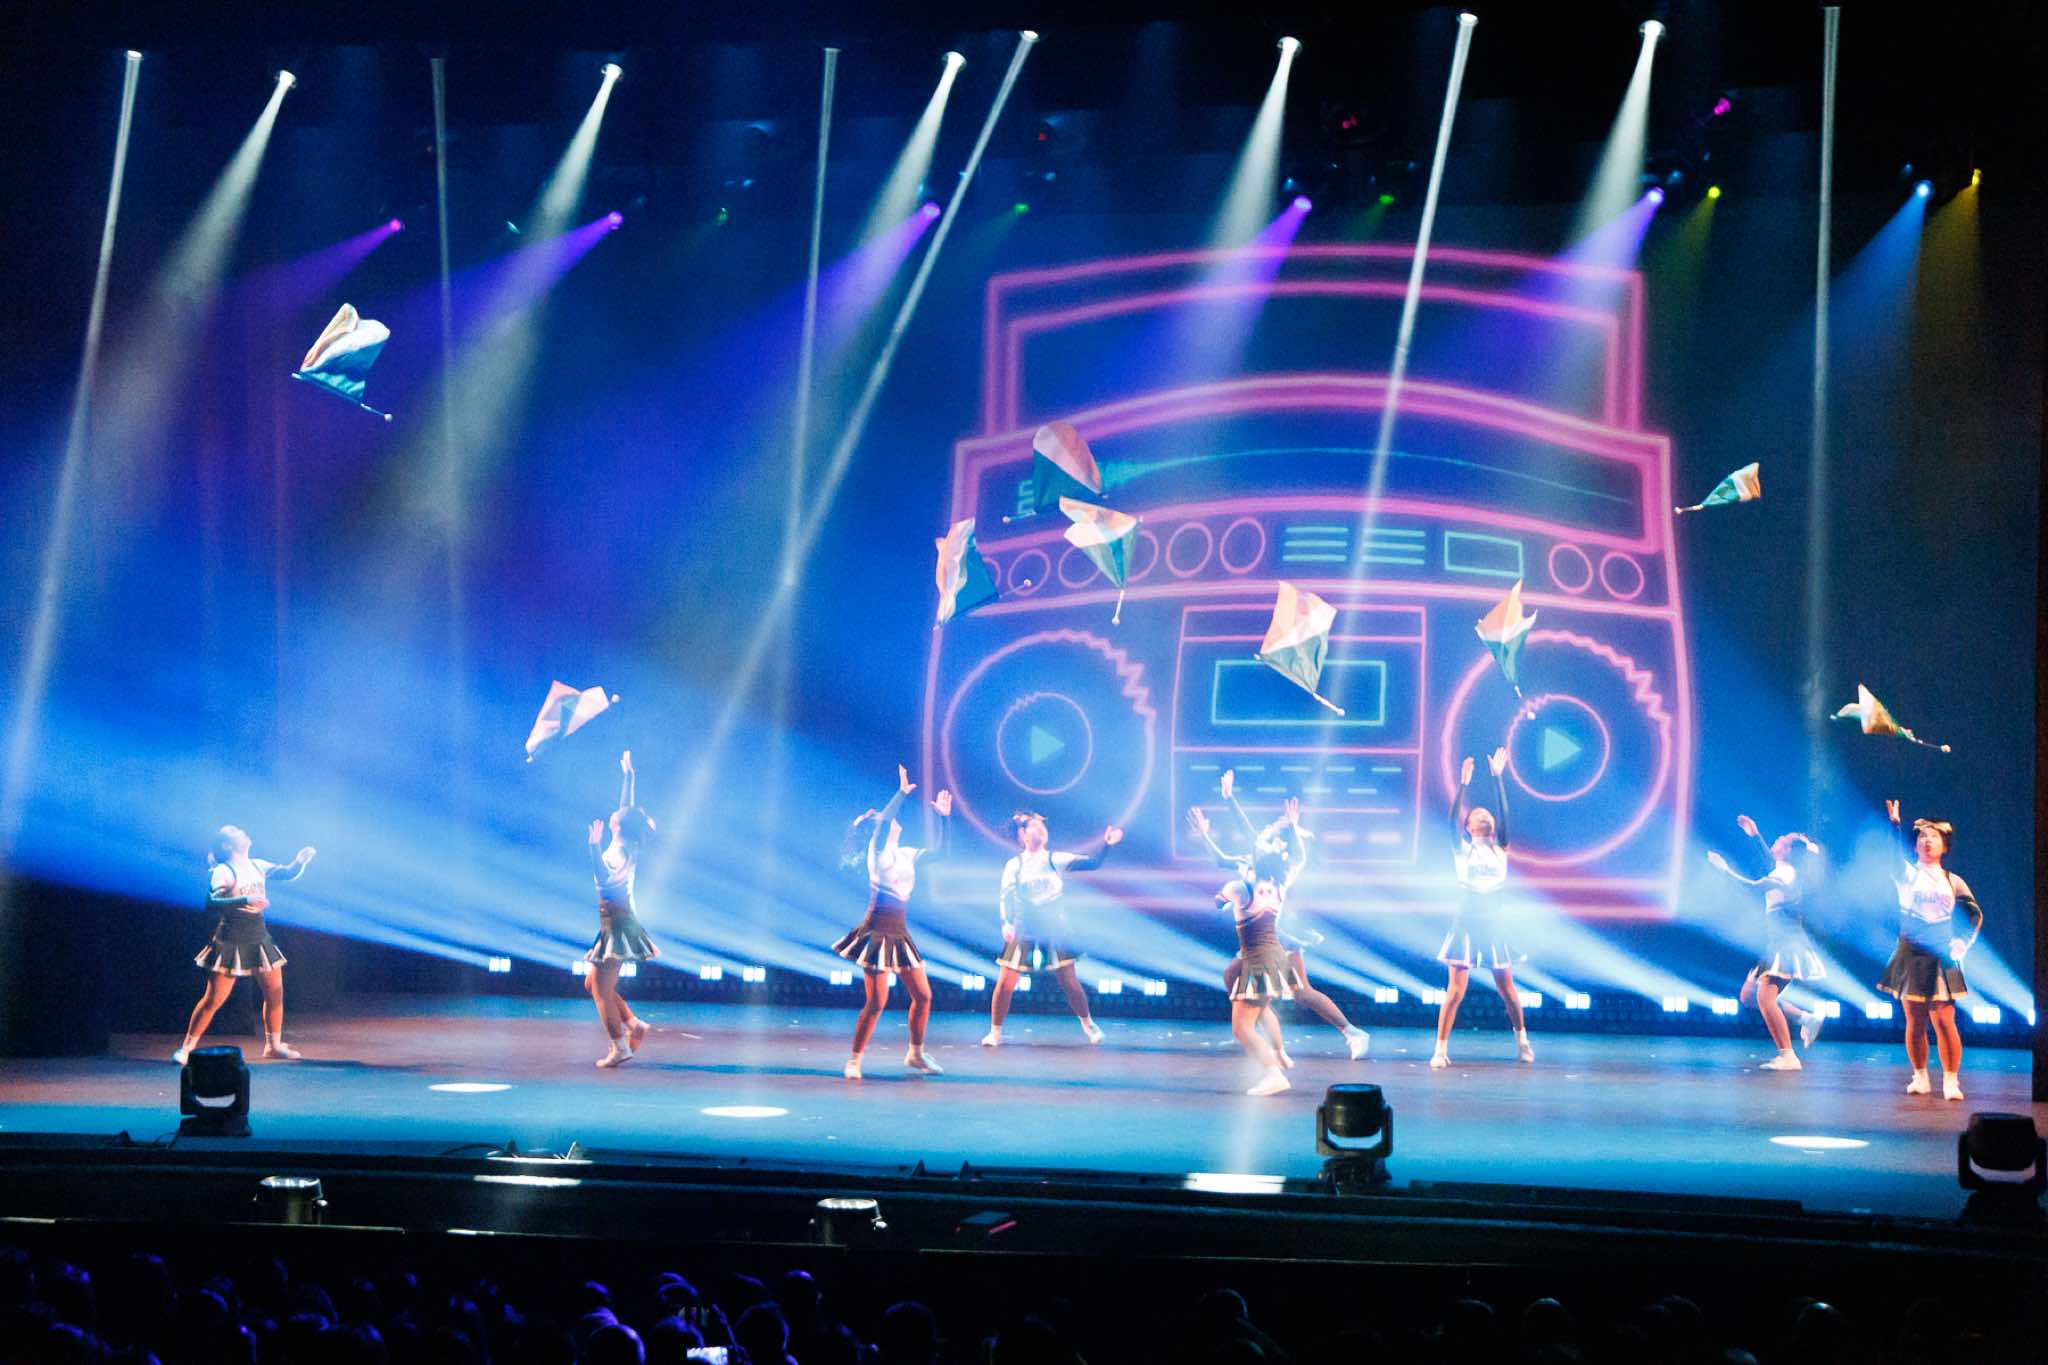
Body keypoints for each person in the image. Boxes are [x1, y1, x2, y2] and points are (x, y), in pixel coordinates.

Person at [1191, 776, 1369, 1062]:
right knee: (1232, 975)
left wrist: (1292, 827)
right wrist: (1219, 812)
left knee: (1300, 992)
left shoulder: (1282, 870)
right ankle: (1254, 1029)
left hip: (1279, 937)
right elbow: (1224, 856)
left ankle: (1352, 1032)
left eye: (1271, 831)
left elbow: (1293, 853)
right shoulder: (1251, 861)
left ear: (1276, 844)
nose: (1262, 833)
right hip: (1258, 940)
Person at [832, 765, 951, 1079]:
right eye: (885, 819)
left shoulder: (906, 853)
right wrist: (900, 793)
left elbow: (941, 854)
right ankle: (854, 1060)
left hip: (899, 934)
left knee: (923, 996)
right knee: (877, 1002)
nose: (894, 821)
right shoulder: (877, 850)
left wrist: (944, 818)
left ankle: (915, 1054)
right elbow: (884, 821)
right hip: (875, 933)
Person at [981, 810, 1122, 1048]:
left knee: (1069, 982)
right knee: (1005, 984)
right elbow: (1005, 895)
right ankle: (995, 1032)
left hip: (1054, 928)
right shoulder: (1014, 865)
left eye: (1043, 827)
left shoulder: (1055, 859)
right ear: (1023, 834)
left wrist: (1107, 845)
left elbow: (1094, 863)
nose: (1041, 830)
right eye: (1034, 827)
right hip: (1024, 928)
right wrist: (1006, 922)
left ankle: (1088, 1024)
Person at [176, 825, 316, 1064]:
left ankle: (273, 1046)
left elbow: (286, 873)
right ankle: (186, 1049)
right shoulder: (223, 871)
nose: (245, 834)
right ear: (227, 845)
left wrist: (299, 862)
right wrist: (245, 898)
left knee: (275, 993)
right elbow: (211, 901)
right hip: (231, 940)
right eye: (238, 833)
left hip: (258, 937)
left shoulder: (257, 865)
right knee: (213, 999)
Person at [1432, 748, 1532, 1069]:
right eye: (1478, 814)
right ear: (1469, 825)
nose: (1485, 815)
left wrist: (1498, 777)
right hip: (1465, 922)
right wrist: (1463, 784)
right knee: (1455, 992)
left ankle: (1522, 1041)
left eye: (1488, 814)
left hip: (1493, 923)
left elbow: (1505, 813)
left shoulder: (1501, 847)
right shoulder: (1462, 849)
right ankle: (1440, 1049)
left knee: (1507, 989)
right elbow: (1451, 820)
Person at [1876, 801, 1982, 1100]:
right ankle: (1920, 1076)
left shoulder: (1953, 881)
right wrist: (1894, 825)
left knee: (1944, 1020)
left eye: (1933, 836)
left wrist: (1962, 941)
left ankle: (1951, 1081)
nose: (1927, 840)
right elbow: (1892, 856)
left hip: (1942, 955)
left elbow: (1974, 914)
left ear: (1944, 845)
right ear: (1915, 844)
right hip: (1910, 953)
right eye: (1922, 836)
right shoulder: (1906, 874)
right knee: (1915, 1020)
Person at [1706, 814, 1826, 1071]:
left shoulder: (1787, 874)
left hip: (1785, 943)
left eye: (1782, 840)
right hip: (1778, 941)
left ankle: (1788, 1055)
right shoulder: (1783, 869)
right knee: (1748, 995)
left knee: (1764, 998)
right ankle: (1806, 1018)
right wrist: (1755, 835)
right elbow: (1770, 861)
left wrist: (1725, 870)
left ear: (1789, 851)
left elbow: (1753, 887)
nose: (1777, 839)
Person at [586, 750, 658, 1069]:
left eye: (617, 814)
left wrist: (592, 847)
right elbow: (627, 809)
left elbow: (603, 878)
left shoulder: (615, 852)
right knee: (592, 983)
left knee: (601, 992)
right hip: (617, 921)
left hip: (617, 924)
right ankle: (633, 1024)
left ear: (616, 826)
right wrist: (629, 777)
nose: (614, 812)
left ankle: (620, 1047)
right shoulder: (629, 839)